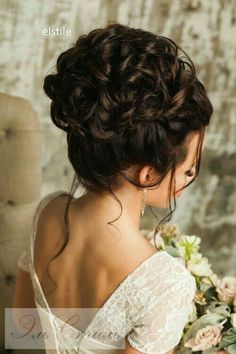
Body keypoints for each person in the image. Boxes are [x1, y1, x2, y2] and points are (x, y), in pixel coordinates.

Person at [13, 22, 214, 353]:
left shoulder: (47, 212)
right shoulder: (166, 285)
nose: (189, 180)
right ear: (148, 175)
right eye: (189, 169)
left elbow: (20, 337)